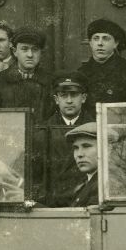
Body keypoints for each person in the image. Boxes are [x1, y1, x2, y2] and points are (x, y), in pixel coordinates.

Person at [39, 71, 95, 204]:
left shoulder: (96, 129)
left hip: (85, 199)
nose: (69, 101)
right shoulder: (43, 131)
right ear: (56, 100)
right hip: (53, 201)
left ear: (84, 98)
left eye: (74, 95)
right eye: (64, 95)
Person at [77, 18, 126, 111]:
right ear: (90, 43)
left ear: (116, 43)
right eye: (96, 38)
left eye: (105, 38)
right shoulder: (81, 73)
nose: (100, 43)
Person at [0, 26, 54, 118]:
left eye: (35, 49)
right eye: (24, 49)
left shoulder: (51, 82)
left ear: (41, 54)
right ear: (15, 52)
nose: (30, 55)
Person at [64, 122, 102, 207]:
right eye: (76, 148)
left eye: (86, 146)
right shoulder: (87, 181)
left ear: (107, 149)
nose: (79, 154)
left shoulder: (103, 186)